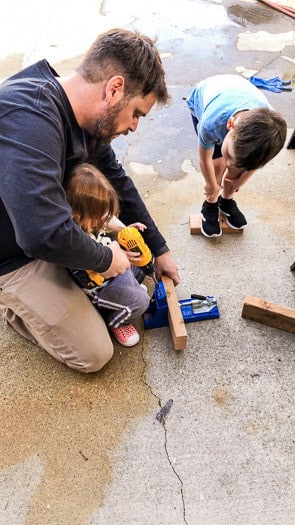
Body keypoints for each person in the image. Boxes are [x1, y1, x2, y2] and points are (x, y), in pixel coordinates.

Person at [0, 28, 180, 373]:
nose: (134, 127)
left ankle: (74, 276)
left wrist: (159, 249)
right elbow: (40, 234)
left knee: (126, 253)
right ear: (114, 89)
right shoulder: (28, 119)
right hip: (12, 252)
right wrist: (104, 258)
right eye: (137, 113)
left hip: (46, 226)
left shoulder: (87, 123)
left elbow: (118, 183)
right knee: (94, 353)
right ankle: (16, 309)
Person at [186, 74, 287, 237]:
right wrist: (211, 185)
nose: (230, 164)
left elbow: (254, 164)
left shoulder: (270, 137)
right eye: (230, 157)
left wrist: (240, 181)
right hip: (206, 96)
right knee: (218, 165)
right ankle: (210, 204)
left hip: (240, 93)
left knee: (237, 168)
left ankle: (226, 200)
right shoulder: (211, 123)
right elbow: (204, 159)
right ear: (230, 125)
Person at [64, 162, 150, 348]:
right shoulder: (74, 242)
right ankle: (116, 321)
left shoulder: (89, 220)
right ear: (75, 213)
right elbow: (95, 277)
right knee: (141, 302)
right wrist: (117, 256)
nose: (104, 218)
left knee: (140, 269)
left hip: (115, 271)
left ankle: (126, 298)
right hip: (99, 287)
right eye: (99, 214)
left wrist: (125, 230)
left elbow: (105, 224)